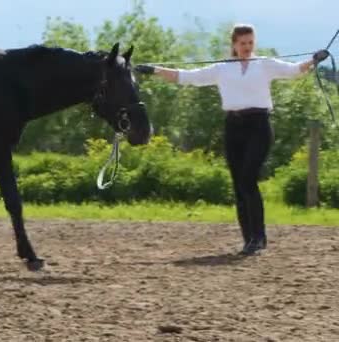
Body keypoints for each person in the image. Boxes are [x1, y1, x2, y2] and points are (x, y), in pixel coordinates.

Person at [135, 24, 330, 255]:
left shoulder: (265, 64)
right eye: (242, 43)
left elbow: (295, 70)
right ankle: (249, 239)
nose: (247, 47)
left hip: (259, 126)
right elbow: (187, 77)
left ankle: (259, 237)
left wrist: (314, 60)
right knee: (239, 185)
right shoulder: (222, 69)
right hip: (233, 127)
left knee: (248, 179)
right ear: (234, 45)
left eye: (250, 43)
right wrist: (155, 70)